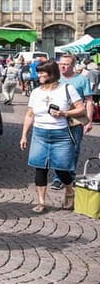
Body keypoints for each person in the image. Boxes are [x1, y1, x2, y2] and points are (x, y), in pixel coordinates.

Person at [20, 60, 83, 212]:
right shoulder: (36, 92)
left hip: (61, 135)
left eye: (42, 72)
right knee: (40, 168)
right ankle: (41, 202)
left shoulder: (67, 88)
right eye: (39, 72)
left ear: (52, 73)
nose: (39, 75)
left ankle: (69, 191)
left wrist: (64, 113)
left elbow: (81, 109)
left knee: (61, 168)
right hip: (39, 134)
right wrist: (24, 135)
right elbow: (30, 114)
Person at [52, 53, 94, 190]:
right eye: (61, 63)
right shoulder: (55, 79)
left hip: (75, 120)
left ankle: (70, 175)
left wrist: (89, 121)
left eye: (66, 64)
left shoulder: (82, 80)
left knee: (74, 149)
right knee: (58, 149)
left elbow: (88, 102)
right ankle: (58, 178)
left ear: (73, 65)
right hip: (57, 119)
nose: (62, 66)